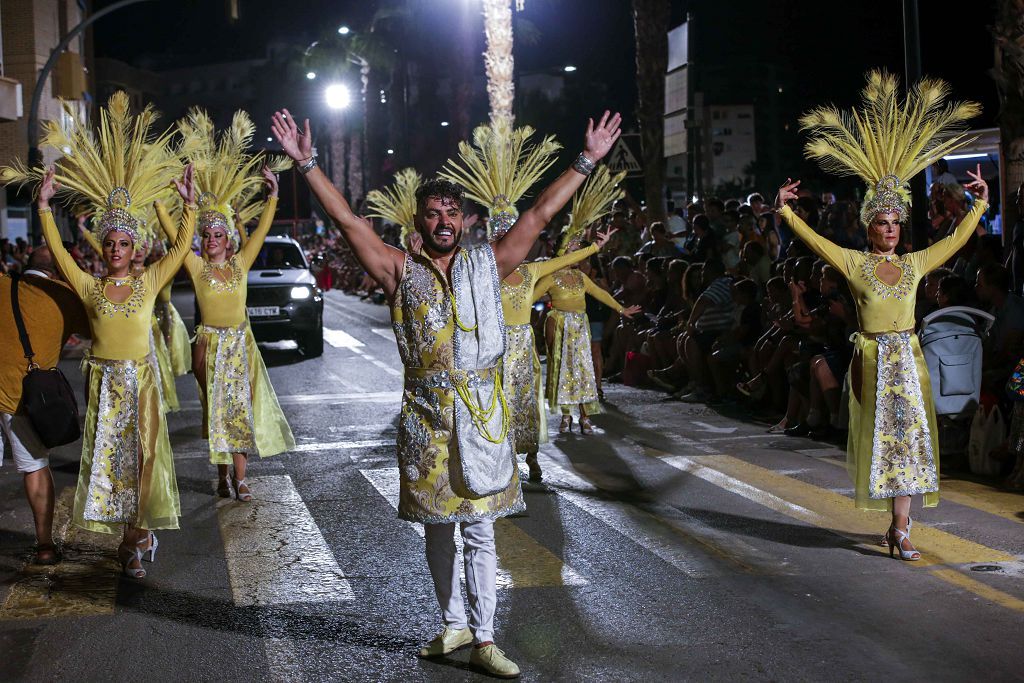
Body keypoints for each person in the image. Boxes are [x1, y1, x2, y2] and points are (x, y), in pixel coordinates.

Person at [272, 106, 621, 678]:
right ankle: (452, 622)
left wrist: (586, 161)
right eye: (433, 213)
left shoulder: (489, 263)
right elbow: (349, 224)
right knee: (438, 532)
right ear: (418, 221)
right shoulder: (397, 271)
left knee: (481, 530)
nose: (442, 221)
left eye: (451, 213)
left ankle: (485, 638)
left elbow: (538, 214)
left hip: (480, 416)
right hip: (425, 421)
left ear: (464, 220)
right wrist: (307, 164)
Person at [779, 70, 987, 561]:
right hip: (873, 361)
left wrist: (979, 206)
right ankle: (897, 526)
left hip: (908, 360)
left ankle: (901, 526)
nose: (890, 229)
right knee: (888, 445)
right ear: (869, 225)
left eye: (896, 222)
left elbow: (954, 241)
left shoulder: (914, 264)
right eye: (882, 222)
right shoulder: (855, 263)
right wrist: (786, 214)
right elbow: (818, 242)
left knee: (912, 443)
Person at [160, 110, 295, 503]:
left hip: (241, 346)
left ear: (228, 238)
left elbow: (265, 230)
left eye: (219, 233)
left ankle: (241, 478)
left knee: (242, 412)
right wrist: (167, 205)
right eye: (208, 234)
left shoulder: (240, 263)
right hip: (208, 347)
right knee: (215, 412)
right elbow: (175, 236)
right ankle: (223, 476)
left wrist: (273, 195)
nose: (214, 238)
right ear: (202, 239)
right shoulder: (196, 265)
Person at [0, 248, 89, 565]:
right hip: (26, 400)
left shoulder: (3, 284)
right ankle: (44, 545)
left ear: (26, 266)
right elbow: (99, 328)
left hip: (4, 390)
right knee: (35, 467)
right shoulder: (66, 298)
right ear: (59, 271)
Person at [535, 225, 640, 435]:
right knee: (563, 371)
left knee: (583, 371)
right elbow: (530, 297)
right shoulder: (550, 277)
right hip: (560, 325)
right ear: (562, 253)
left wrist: (621, 309)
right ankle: (566, 415)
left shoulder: (581, 277)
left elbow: (600, 293)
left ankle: (584, 416)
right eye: (574, 251)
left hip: (580, 327)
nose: (580, 255)